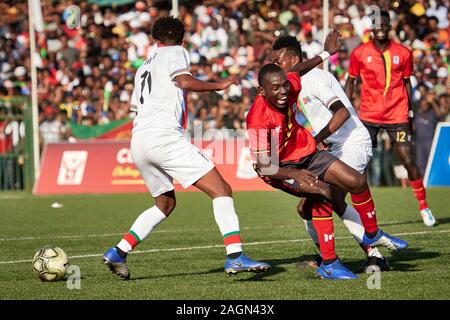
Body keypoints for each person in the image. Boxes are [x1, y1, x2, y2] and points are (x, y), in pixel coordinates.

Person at [102, 17, 271, 280]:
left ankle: (119, 252)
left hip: (139, 139)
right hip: (164, 137)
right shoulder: (176, 52)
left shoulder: (144, 66)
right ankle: (236, 257)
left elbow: (136, 108)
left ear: (154, 38)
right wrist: (219, 84)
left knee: (165, 203)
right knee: (222, 190)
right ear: (182, 39)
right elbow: (183, 81)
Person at [246, 63, 408, 280]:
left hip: (308, 153)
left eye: (285, 85)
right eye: (276, 88)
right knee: (323, 193)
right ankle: (330, 263)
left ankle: (371, 235)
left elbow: (298, 69)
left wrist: (324, 54)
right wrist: (293, 174)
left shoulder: (290, 85)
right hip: (280, 169)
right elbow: (264, 165)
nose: (283, 91)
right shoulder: (257, 118)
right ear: (262, 91)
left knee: (356, 181)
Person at [270, 35, 389, 271]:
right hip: (335, 144)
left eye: (279, 61)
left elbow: (341, 113)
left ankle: (374, 253)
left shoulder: (314, 77)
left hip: (352, 142)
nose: (275, 66)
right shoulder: (295, 84)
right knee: (305, 207)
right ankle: (328, 257)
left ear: (294, 58)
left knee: (329, 197)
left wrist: (316, 140)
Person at [345, 10, 437, 227]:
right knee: (360, 163)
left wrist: (411, 113)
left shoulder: (403, 53)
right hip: (368, 115)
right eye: (376, 25)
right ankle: (363, 213)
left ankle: (424, 206)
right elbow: (351, 82)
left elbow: (407, 84)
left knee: (407, 159)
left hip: (397, 114)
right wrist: (347, 110)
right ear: (371, 28)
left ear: (389, 27)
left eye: (383, 25)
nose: (379, 29)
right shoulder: (359, 53)